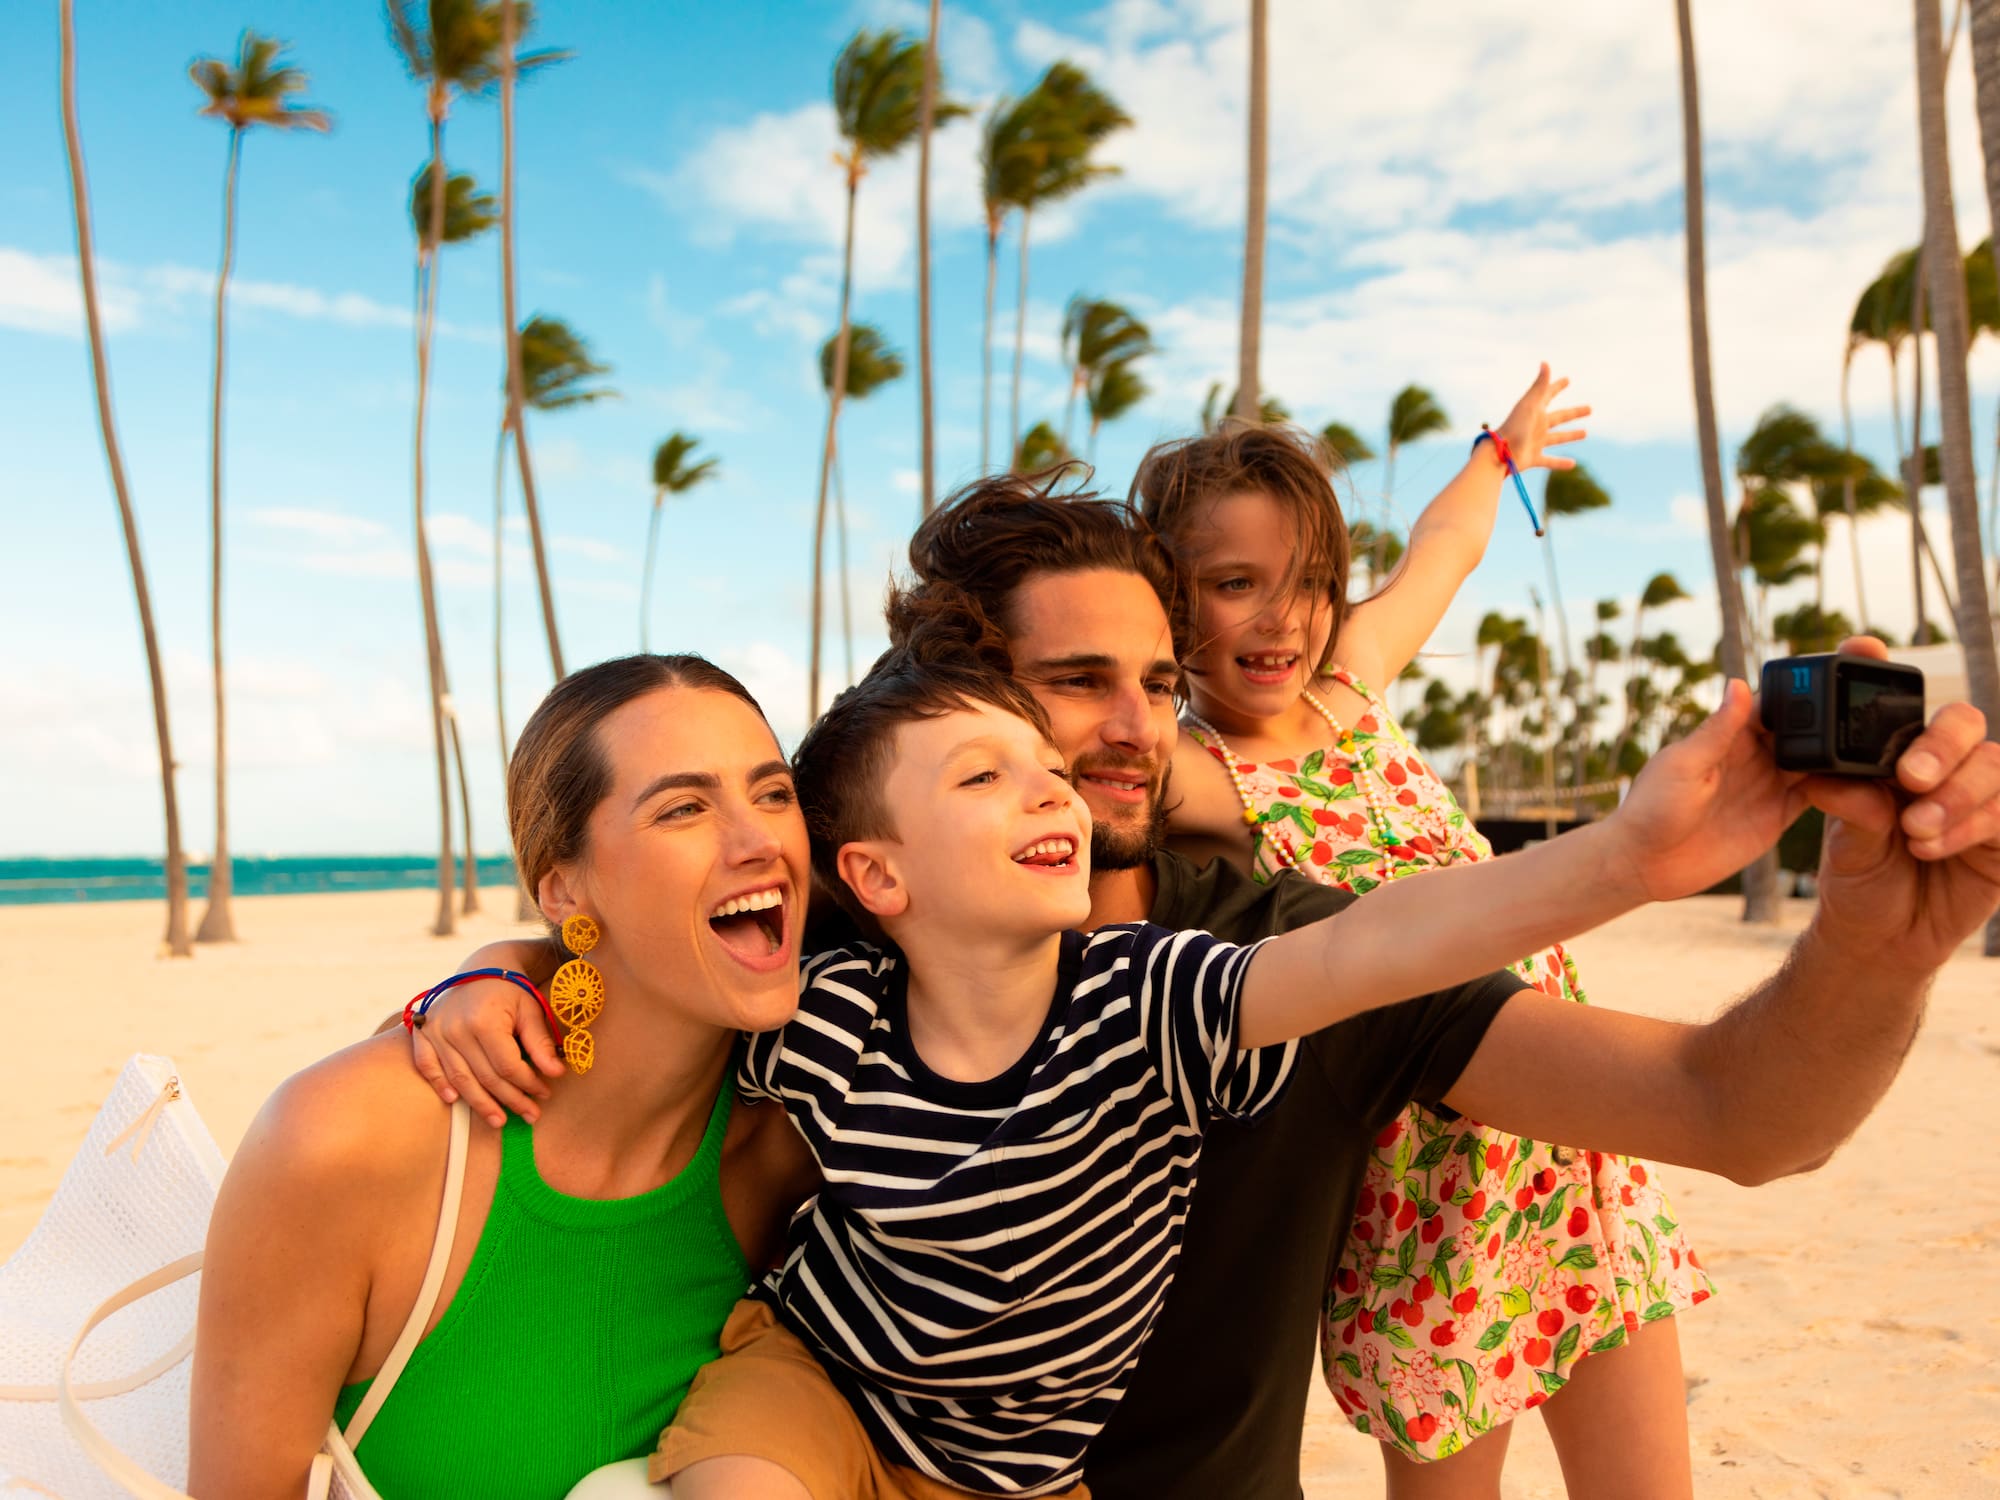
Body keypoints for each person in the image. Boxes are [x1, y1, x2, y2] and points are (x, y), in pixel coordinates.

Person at [411, 472, 2000, 1500]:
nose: (1126, 728)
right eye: (1072, 683)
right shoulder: (858, 937)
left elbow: (1733, 1113)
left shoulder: (1265, 946)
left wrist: (1878, 941)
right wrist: (480, 978)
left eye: (1158, 680)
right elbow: (617, 957)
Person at [649, 593, 1860, 1500]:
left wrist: (1624, 863)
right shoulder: (829, 1013)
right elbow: (652, 964)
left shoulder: (1148, 997)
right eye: (989, 768)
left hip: (1012, 1482)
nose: (1059, 784)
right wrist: (511, 977)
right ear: (874, 873)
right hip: (816, 1384)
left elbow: (1371, 948)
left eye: (1047, 762)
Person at [1135, 380, 1711, 1494]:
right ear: (1168, 600)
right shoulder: (1202, 776)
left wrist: (1497, 456)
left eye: (1303, 582)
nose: (1279, 618)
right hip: (1422, 1207)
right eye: (1231, 585)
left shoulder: (1353, 683)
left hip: (1574, 1153)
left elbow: (1441, 550)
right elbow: (1056, 749)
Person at [189, 657, 820, 1500]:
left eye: (774, 794)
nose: (759, 841)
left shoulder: (799, 1146)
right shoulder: (349, 1139)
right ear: (563, 887)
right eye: (684, 808)